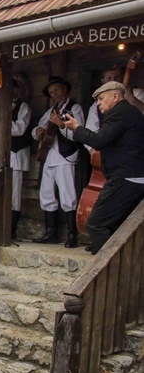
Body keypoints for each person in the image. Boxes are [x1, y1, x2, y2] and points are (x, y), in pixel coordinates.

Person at [62, 81, 144, 254]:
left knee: (95, 223)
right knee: (116, 225)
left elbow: (99, 141)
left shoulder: (120, 112)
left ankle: (106, 267)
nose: (98, 103)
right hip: (132, 177)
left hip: (125, 177)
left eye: (101, 98)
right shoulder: (129, 113)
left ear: (115, 96)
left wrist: (77, 128)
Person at [31, 76, 85, 248]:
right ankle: (51, 232)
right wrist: (38, 132)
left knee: (68, 195)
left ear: (65, 90)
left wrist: (61, 125)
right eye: (51, 92)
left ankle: (72, 235)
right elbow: (36, 130)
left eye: (57, 91)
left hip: (65, 156)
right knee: (46, 194)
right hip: (48, 156)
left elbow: (79, 132)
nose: (54, 94)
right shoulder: (50, 111)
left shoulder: (74, 107)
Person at [0, 78, 32, 240]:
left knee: (14, 194)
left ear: (14, 90)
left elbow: (19, 129)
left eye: (9, 89)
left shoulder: (23, 106)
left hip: (16, 155)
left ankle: (11, 230)